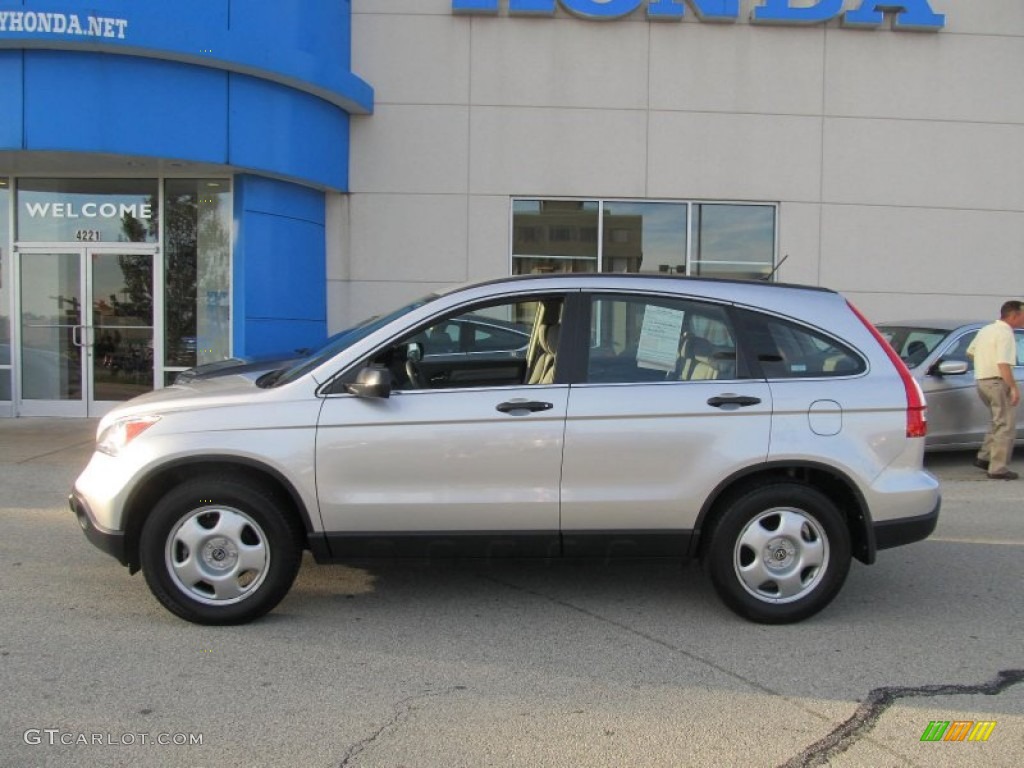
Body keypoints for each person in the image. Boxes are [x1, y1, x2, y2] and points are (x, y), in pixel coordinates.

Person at [967, 300, 1024, 479]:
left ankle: (984, 457)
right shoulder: (1005, 334)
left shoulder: (986, 330)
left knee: (996, 420)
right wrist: (1014, 388)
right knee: (1006, 425)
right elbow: (1003, 364)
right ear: (1014, 315)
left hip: (982, 380)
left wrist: (985, 361)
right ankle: (998, 468)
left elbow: (971, 351)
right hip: (997, 382)